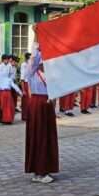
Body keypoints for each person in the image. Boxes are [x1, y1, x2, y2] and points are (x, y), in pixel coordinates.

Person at [23, 46, 59, 184]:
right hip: (38, 104)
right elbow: (33, 57)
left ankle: (46, 168)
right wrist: (37, 38)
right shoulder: (32, 72)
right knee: (39, 136)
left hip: (48, 106)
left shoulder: (50, 74)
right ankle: (39, 171)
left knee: (48, 137)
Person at [0, 55, 16, 124]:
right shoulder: (0, 67)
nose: (7, 61)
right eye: (5, 60)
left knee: (9, 105)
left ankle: (8, 119)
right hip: (1, 87)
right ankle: (1, 119)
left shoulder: (9, 66)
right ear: (2, 60)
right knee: (2, 104)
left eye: (7, 59)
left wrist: (10, 81)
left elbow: (11, 74)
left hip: (7, 85)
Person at [20, 52, 31, 121]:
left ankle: (30, 115)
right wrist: (23, 89)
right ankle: (25, 116)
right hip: (26, 84)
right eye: (30, 58)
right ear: (27, 59)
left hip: (30, 84)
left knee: (30, 101)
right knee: (26, 101)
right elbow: (22, 79)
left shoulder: (31, 65)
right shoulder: (24, 65)